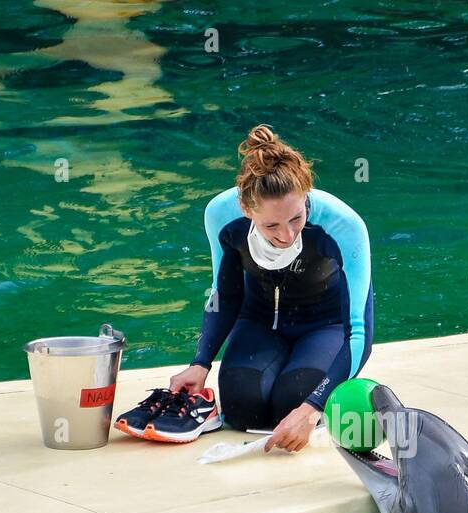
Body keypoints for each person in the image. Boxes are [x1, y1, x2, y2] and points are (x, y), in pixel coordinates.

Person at [116, 124, 374, 450]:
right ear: (245, 209)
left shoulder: (342, 225)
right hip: (258, 322)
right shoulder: (222, 215)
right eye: (271, 225)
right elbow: (224, 294)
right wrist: (201, 362)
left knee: (292, 400)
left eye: (296, 219)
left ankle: (306, 393)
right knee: (242, 409)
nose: (287, 235)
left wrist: (313, 408)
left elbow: (360, 331)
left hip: (325, 327)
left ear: (306, 196)